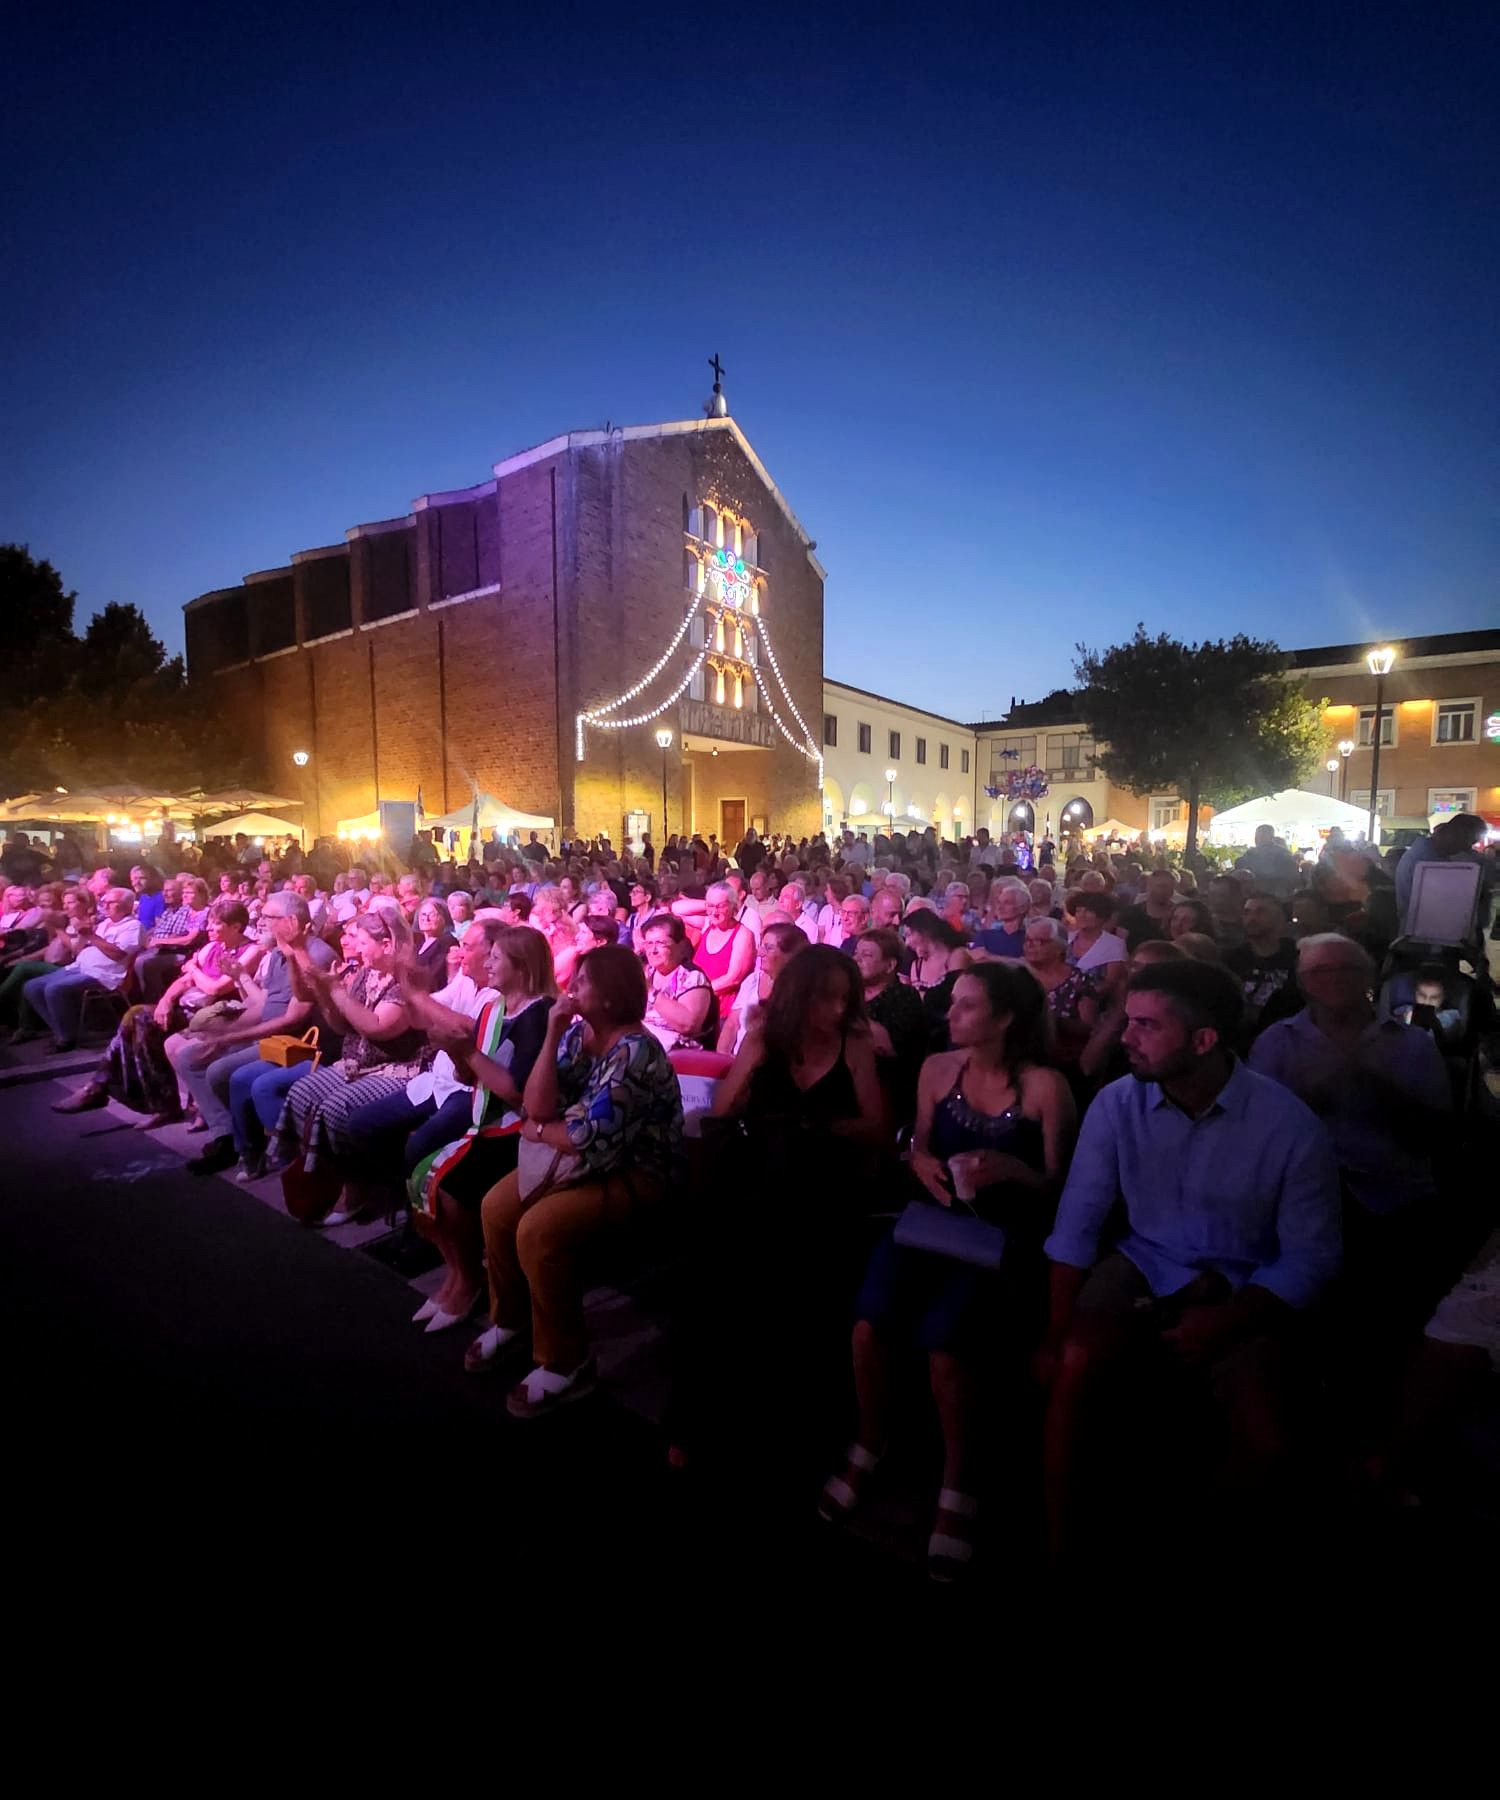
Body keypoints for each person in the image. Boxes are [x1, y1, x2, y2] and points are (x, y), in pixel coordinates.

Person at [1041, 959, 1341, 1559]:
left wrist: (1232, 1318)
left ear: (1204, 1041)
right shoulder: (1117, 1105)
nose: (1125, 1038)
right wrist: (1053, 1335)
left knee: (1268, 1440)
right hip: (1145, 1261)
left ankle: (1190, 1544)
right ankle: (1055, 1539)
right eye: (1128, 1021)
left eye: (1147, 1026)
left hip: (1246, 1281)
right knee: (1074, 1363)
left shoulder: (1287, 1125)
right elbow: (1078, 1223)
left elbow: (1312, 1254)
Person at [823, 963, 1075, 1579]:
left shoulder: (1044, 1087)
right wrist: (924, 1164)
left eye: (966, 1007)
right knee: (867, 1326)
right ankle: (870, 1440)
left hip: (1001, 1237)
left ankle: (959, 1480)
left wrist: (1013, 1173)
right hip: (933, 1222)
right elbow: (919, 1144)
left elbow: (1065, 1190)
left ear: (1005, 1019)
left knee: (946, 1348)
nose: (951, 1015)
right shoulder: (939, 1069)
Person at [468, 945, 685, 1417]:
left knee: (538, 1228)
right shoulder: (579, 1034)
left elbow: (588, 1138)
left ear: (609, 997)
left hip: (636, 1173)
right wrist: (551, 1035)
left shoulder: (636, 1054)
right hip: (583, 1159)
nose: (571, 989)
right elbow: (538, 1102)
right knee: (496, 1207)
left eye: (583, 981)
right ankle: (511, 1321)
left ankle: (567, 1359)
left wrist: (540, 1130)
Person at [1250, 934, 1452, 1340]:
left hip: (1392, 1198)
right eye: (1321, 971)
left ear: (1369, 976)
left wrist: (1376, 1086)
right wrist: (1308, 1099)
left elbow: (1436, 1136)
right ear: (1303, 981)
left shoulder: (1412, 1044)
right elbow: (1253, 1136)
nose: (1335, 979)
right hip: (1300, 1200)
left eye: (1347, 969)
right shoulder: (1277, 1041)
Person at [395, 922, 555, 1332]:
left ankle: (468, 1280)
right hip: (485, 1119)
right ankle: (458, 1274)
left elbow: (519, 1093)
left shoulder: (538, 1017)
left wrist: (464, 1048)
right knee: (419, 1175)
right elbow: (474, 1079)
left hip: (520, 1130)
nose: (487, 961)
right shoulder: (493, 1010)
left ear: (521, 968)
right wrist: (452, 1049)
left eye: (497, 957)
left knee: (444, 1185)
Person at [269, 910, 427, 1223]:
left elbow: (377, 1027)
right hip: (358, 1061)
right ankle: (329, 1175)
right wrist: (327, 994)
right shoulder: (367, 973)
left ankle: (358, 1188)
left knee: (335, 1109)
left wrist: (337, 990)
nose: (352, 944)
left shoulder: (410, 977)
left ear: (386, 944)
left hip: (398, 1068)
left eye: (360, 939)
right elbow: (341, 1026)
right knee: (302, 1092)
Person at [178, 892, 340, 1176]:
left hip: (297, 1043)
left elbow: (292, 1020)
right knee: (190, 1055)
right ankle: (228, 1135)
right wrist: (226, 1029)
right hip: (270, 1035)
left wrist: (229, 1038)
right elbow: (266, 1005)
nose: (260, 922)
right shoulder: (278, 952)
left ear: (291, 920)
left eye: (269, 917)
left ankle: (249, 1147)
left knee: (224, 1072)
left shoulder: (314, 955)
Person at [22, 886, 142, 1052]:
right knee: (31, 987)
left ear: (126, 905)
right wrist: (76, 934)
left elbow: (118, 954)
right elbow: (78, 951)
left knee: (54, 989)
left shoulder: (133, 926)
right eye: (104, 902)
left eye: (111, 902)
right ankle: (62, 1031)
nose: (105, 906)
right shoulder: (105, 923)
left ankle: (66, 1039)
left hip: (104, 974)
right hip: (79, 966)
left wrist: (91, 935)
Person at [851, 926, 928, 1120]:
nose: (856, 959)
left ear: (890, 965)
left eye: (866, 955)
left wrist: (846, 1012)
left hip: (887, 1089)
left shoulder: (904, 997)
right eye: (856, 953)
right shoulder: (851, 993)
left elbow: (888, 1047)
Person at [1393, 812, 1492, 946]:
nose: (1468, 848)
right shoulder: (1428, 863)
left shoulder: (1426, 855)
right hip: (1426, 942)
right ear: (1455, 834)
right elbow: (1443, 910)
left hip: (1423, 938)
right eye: (1469, 841)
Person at [1021, 915, 1100, 1071]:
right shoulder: (1018, 975)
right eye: (1027, 940)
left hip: (1062, 1061)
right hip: (1021, 1058)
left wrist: (1050, 1020)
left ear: (1060, 948)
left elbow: (1089, 1028)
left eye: (1038, 942)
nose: (1029, 946)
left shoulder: (1080, 980)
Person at [1223, 892, 1302, 1048]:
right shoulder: (1230, 959)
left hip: (1288, 1041)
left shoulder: (1298, 956)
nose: (1252, 918)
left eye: (1260, 911)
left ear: (1279, 917)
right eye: (1247, 912)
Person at [718, 919, 806, 1054]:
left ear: (789, 955)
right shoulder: (752, 981)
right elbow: (732, 1024)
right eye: (761, 946)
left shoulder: (800, 991)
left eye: (769, 948)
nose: (759, 953)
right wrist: (722, 1058)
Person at [640, 913, 715, 1051]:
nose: (653, 950)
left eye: (660, 943)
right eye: (649, 944)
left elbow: (688, 1025)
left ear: (680, 945)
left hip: (677, 1053)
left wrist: (651, 992)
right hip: (644, 1043)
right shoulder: (647, 972)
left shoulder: (692, 977)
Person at [689, 881, 756, 1013]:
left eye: (720, 906)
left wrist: (698, 991)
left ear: (733, 906)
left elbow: (733, 979)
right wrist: (708, 905)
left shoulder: (743, 934)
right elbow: (677, 909)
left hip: (722, 1011)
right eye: (710, 906)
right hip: (698, 1006)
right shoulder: (708, 926)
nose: (714, 912)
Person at [1116, 869, 1177, 951]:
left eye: (1170, 887)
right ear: (1148, 887)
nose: (1165, 891)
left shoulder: (1179, 916)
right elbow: (1120, 945)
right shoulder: (1130, 914)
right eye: (1160, 886)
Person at [1235, 824, 1301, 900]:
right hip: (1267, 896)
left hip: (1275, 896)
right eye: (1257, 836)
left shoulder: (1282, 854)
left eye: (1262, 835)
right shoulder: (1250, 854)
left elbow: (1293, 877)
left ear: (1271, 837)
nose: (1257, 839)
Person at [972, 880, 1028, 958]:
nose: (1000, 907)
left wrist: (989, 956)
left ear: (1022, 908)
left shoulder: (1030, 939)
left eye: (1007, 903)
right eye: (999, 902)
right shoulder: (985, 936)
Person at [413, 896, 456, 989]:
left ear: (444, 918)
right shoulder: (419, 944)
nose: (426, 919)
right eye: (423, 914)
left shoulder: (447, 942)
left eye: (432, 914)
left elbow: (434, 975)